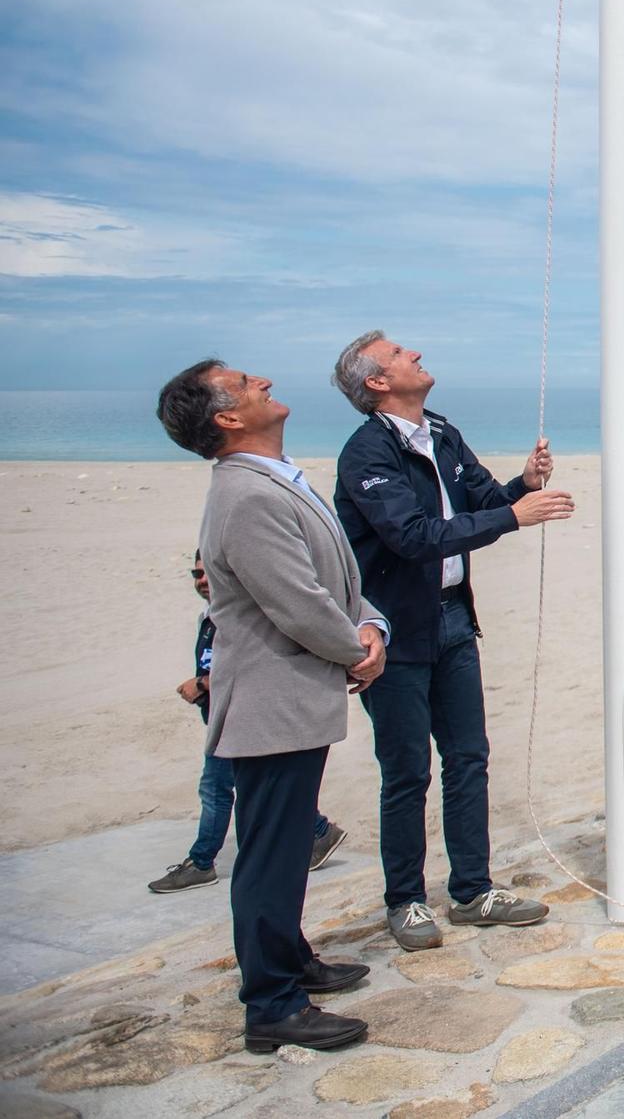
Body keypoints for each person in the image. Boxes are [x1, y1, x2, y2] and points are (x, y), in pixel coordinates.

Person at [155, 361, 378, 1054]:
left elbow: (332, 577)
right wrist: (356, 647)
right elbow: (296, 600)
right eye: (246, 380)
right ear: (225, 416)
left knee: (280, 848)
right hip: (269, 699)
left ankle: (290, 958)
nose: (264, 381)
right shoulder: (244, 495)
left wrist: (370, 624)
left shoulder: (268, 479)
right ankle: (273, 1002)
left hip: (292, 695)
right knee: (269, 854)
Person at [332, 333, 567, 947]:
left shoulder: (440, 431)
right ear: (377, 382)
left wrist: (522, 484)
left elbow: (485, 500)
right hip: (395, 632)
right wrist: (511, 518)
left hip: (455, 621)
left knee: (468, 759)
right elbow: (413, 536)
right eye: (399, 352)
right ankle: (405, 900)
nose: (415, 352)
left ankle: (472, 890)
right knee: (407, 772)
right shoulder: (365, 454)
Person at [150, 551, 346, 893]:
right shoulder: (207, 619)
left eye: (206, 573)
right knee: (258, 788)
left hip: (241, 722)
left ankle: (202, 862)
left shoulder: (243, 617)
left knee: (216, 789)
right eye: (194, 575)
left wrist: (201, 684)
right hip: (221, 720)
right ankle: (318, 830)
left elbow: (254, 668)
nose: (201, 582)